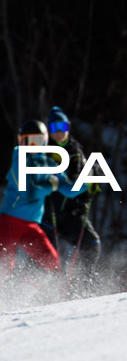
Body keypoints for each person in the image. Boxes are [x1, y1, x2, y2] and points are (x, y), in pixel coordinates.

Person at [0, 120, 88, 283]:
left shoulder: (48, 164)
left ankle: (22, 293)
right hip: (9, 222)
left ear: (45, 141)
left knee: (49, 260)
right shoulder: (19, 157)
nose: (32, 146)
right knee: (4, 266)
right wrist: (50, 185)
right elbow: (28, 192)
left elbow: (68, 189)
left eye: (37, 141)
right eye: (28, 141)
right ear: (21, 142)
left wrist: (86, 181)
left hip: (31, 226)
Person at [41, 106, 101, 274]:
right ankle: (41, 292)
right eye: (54, 128)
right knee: (48, 259)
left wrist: (89, 188)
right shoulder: (44, 152)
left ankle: (82, 285)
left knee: (92, 244)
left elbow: (81, 182)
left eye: (63, 127)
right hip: (46, 214)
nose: (59, 132)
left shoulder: (76, 152)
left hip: (70, 213)